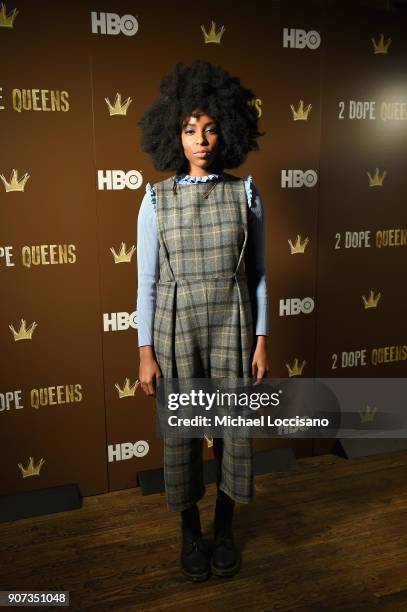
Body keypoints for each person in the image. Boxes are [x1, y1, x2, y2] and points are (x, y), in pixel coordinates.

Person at [136, 60, 269, 581]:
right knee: (183, 439)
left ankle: (225, 529)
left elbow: (258, 274)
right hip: (176, 331)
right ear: (174, 134)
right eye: (190, 129)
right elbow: (146, 282)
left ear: (227, 131)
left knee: (232, 437)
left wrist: (262, 338)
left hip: (233, 327)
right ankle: (190, 533)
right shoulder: (153, 200)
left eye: (211, 127)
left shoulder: (246, 194)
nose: (201, 140)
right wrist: (146, 350)